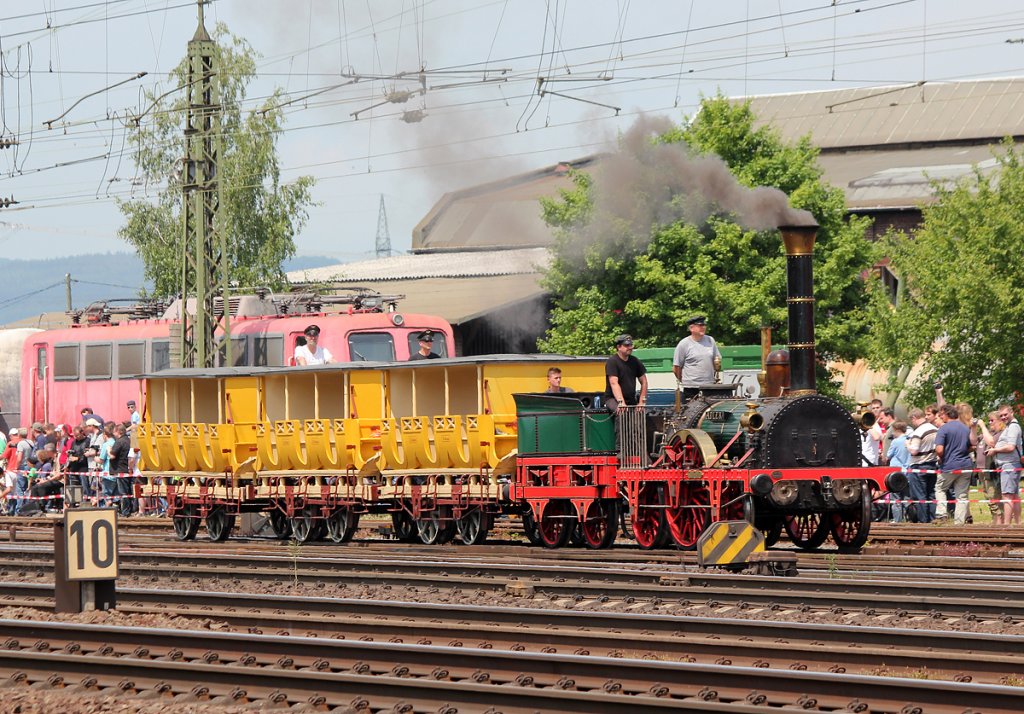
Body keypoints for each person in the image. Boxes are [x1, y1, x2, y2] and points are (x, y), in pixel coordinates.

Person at [934, 403, 973, 524]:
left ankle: (941, 514)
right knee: (961, 496)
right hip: (965, 465)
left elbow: (939, 449)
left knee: (940, 488)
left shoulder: (944, 428)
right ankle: (959, 523)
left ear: (947, 414)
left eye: (941, 415)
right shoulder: (966, 428)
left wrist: (942, 457)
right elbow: (972, 446)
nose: (941, 417)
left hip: (949, 466)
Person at [672, 315, 721, 401]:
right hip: (691, 388)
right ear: (691, 328)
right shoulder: (684, 344)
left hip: (709, 386)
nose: (703, 327)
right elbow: (676, 367)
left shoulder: (710, 340)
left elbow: (716, 360)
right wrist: (686, 381)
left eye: (704, 325)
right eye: (700, 326)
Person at [990, 404, 1022, 526]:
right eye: (1001, 415)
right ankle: (1018, 523)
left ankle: (1007, 525)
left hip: (1009, 465)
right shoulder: (1010, 426)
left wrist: (995, 450)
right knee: (1014, 495)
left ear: (1012, 412)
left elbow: (1010, 446)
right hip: (1010, 464)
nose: (1003, 417)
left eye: (1005, 414)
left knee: (1007, 495)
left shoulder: (1013, 427)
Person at [907, 408, 939, 523]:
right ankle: (933, 519)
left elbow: (914, 451)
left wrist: (907, 445)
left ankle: (923, 521)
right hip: (932, 464)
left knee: (920, 496)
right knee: (931, 495)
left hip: (918, 466)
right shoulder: (935, 429)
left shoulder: (918, 432)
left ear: (914, 418)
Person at [605, 334, 648, 411]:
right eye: (627, 345)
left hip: (631, 399)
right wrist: (621, 403)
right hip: (613, 399)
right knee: (621, 411)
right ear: (618, 347)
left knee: (640, 412)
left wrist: (641, 402)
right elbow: (614, 383)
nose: (630, 347)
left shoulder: (635, 361)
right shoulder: (612, 361)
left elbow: (644, 381)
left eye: (631, 345)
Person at [977, 411, 1005, 522]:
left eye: (992, 420)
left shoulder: (1000, 434)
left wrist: (982, 426)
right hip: (982, 470)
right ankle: (996, 521)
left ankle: (1000, 523)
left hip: (992, 470)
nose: (989, 423)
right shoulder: (987, 433)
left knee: (994, 497)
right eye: (988, 421)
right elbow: (974, 441)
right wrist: (974, 427)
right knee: (989, 499)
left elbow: (992, 443)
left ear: (1000, 421)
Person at [886, 421, 911, 522]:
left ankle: (897, 520)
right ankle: (909, 518)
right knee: (906, 497)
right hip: (907, 471)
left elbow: (888, 455)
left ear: (897, 430)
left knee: (895, 497)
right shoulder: (909, 441)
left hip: (895, 472)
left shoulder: (895, 442)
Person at [108, 423, 134, 517]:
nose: (113, 434)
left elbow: (112, 456)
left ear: (119, 431)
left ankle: (125, 512)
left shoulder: (119, 442)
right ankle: (131, 509)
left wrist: (108, 450)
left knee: (123, 492)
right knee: (128, 491)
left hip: (120, 469)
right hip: (126, 468)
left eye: (114, 432)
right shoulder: (128, 440)